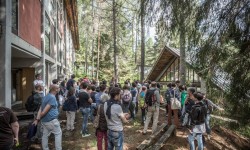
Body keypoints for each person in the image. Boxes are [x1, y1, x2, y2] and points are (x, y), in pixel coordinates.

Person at [33, 84, 62, 150]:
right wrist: (38, 119)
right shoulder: (52, 97)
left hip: (45, 121)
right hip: (51, 121)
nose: (59, 89)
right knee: (58, 134)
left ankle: (45, 148)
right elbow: (43, 111)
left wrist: (37, 119)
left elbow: (40, 108)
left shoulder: (46, 96)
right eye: (58, 88)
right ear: (55, 89)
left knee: (45, 136)